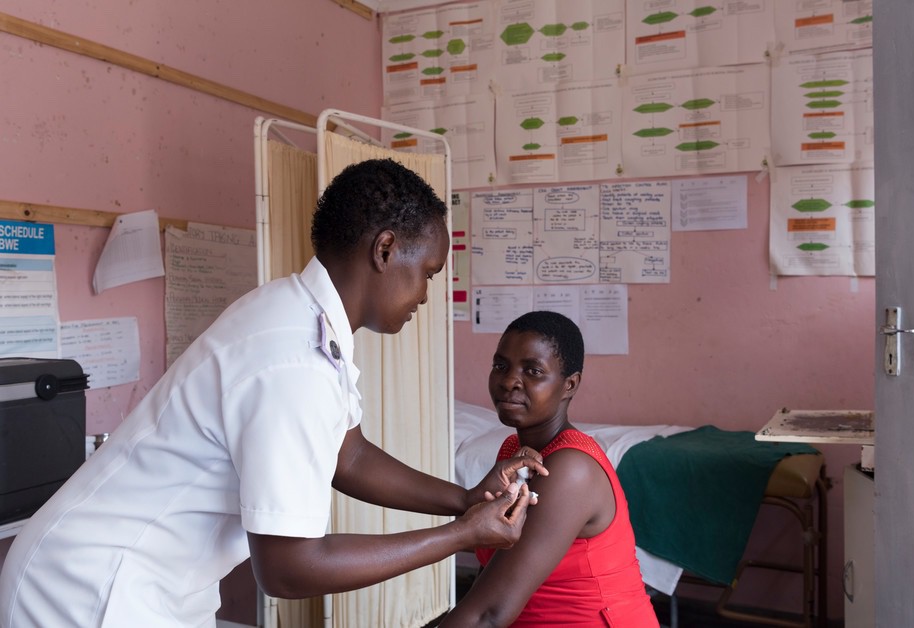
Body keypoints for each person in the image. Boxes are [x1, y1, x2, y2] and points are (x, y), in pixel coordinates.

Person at [0, 159, 546, 627]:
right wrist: (459, 535)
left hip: (144, 579)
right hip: (88, 589)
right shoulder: (293, 357)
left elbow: (346, 454)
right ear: (385, 249)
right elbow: (288, 568)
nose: (426, 294)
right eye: (426, 272)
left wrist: (465, 498)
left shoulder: (298, 315)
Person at [440, 311, 659, 627]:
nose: (509, 381)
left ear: (569, 385)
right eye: (500, 366)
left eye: (532, 371)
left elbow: (488, 613)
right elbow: (488, 584)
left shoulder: (571, 469)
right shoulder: (512, 453)